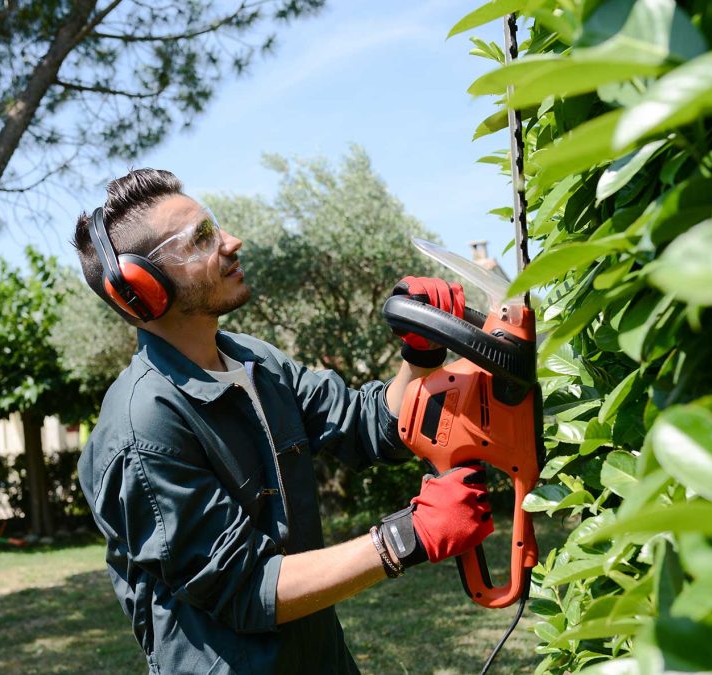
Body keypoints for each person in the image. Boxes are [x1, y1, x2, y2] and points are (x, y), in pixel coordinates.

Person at [73, 168, 493, 674]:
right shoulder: (142, 428)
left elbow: (367, 424)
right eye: (202, 238)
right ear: (142, 287)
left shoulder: (255, 362)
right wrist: (407, 536)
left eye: (216, 226)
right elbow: (247, 588)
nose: (231, 242)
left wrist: (419, 357)